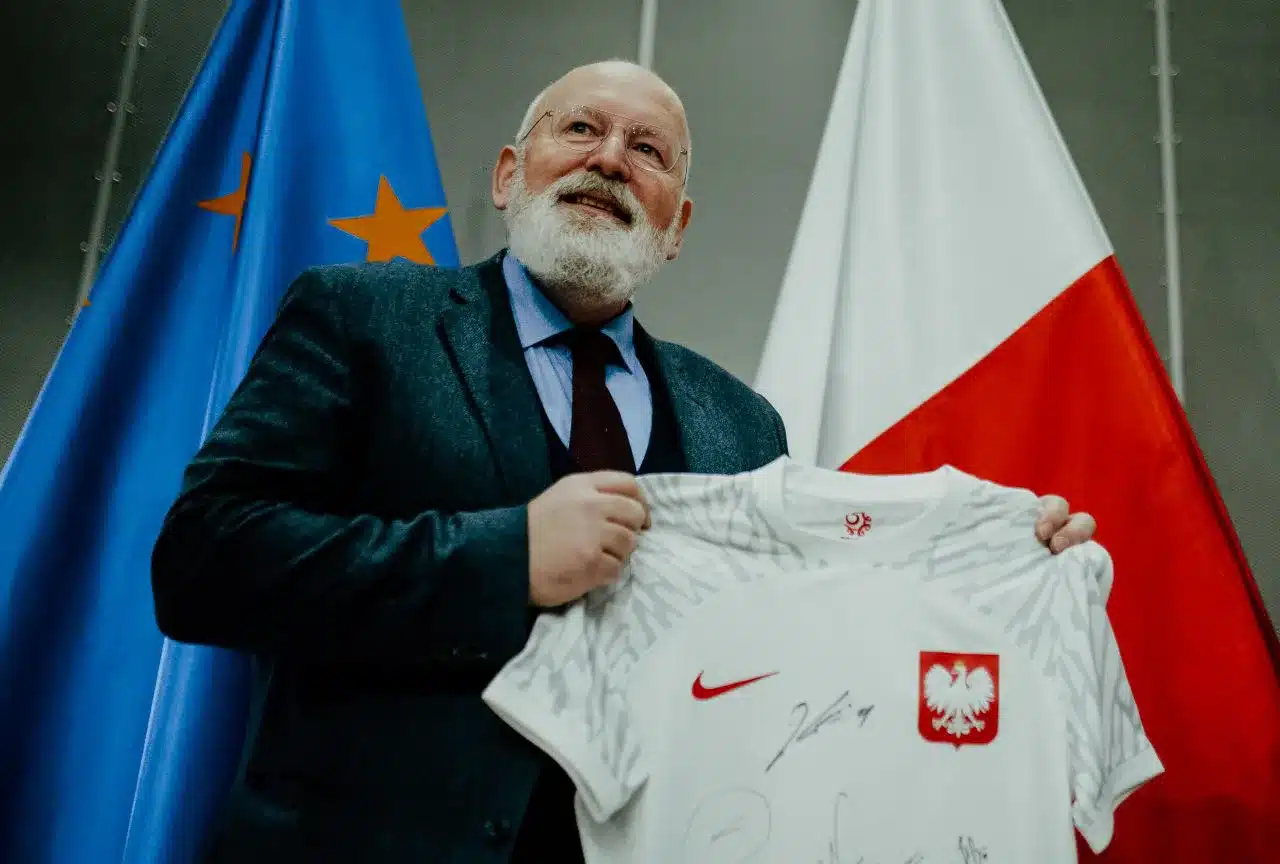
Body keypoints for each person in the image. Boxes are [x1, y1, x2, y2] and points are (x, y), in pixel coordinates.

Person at [150, 59, 1097, 863]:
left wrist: (995, 584)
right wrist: (505, 557)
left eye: (648, 152)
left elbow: (808, 644)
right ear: (509, 174)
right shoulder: (363, 319)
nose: (610, 159)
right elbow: (203, 560)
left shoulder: (744, 425)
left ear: (677, 226)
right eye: (581, 130)